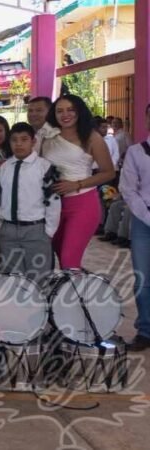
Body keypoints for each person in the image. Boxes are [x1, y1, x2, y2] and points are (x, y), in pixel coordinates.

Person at [41, 94, 116, 269]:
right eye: (59, 111)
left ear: (79, 112)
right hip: (53, 206)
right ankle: (81, 292)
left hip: (82, 204)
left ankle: (75, 295)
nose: (65, 114)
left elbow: (109, 172)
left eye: (70, 110)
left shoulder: (92, 137)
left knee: (69, 261)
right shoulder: (48, 136)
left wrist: (77, 184)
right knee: (60, 255)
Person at [0, 123, 61, 281]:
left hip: (36, 229)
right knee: (13, 279)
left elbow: (53, 200)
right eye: (14, 140)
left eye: (24, 139)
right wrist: (0, 224)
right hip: (8, 230)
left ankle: (40, 306)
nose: (19, 144)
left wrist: (49, 231)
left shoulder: (44, 167)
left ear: (33, 142)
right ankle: (19, 306)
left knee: (39, 278)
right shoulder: (4, 167)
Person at [119, 103, 150, 351]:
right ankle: (145, 330)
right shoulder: (136, 152)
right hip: (143, 223)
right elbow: (128, 189)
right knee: (143, 280)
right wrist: (147, 215)